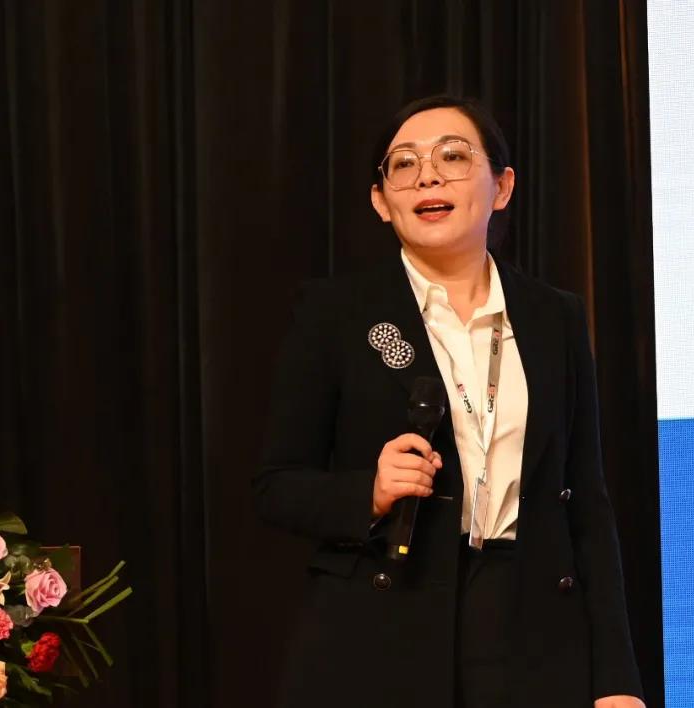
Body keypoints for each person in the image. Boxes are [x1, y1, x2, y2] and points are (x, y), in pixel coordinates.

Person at [254, 95, 645, 708]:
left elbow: (587, 503)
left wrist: (617, 680)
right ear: (381, 200)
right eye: (404, 164)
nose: (428, 176)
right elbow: (276, 485)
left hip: (533, 632)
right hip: (385, 631)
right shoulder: (334, 315)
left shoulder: (554, 317)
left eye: (453, 157)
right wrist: (368, 493)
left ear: (502, 186)